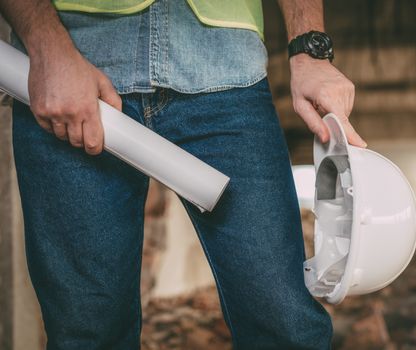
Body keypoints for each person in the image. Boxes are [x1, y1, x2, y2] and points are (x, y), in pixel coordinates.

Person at [0, 0, 366, 348]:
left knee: (288, 328)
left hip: (226, 65)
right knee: (88, 333)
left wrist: (309, 48)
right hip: (74, 58)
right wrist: (45, 45)